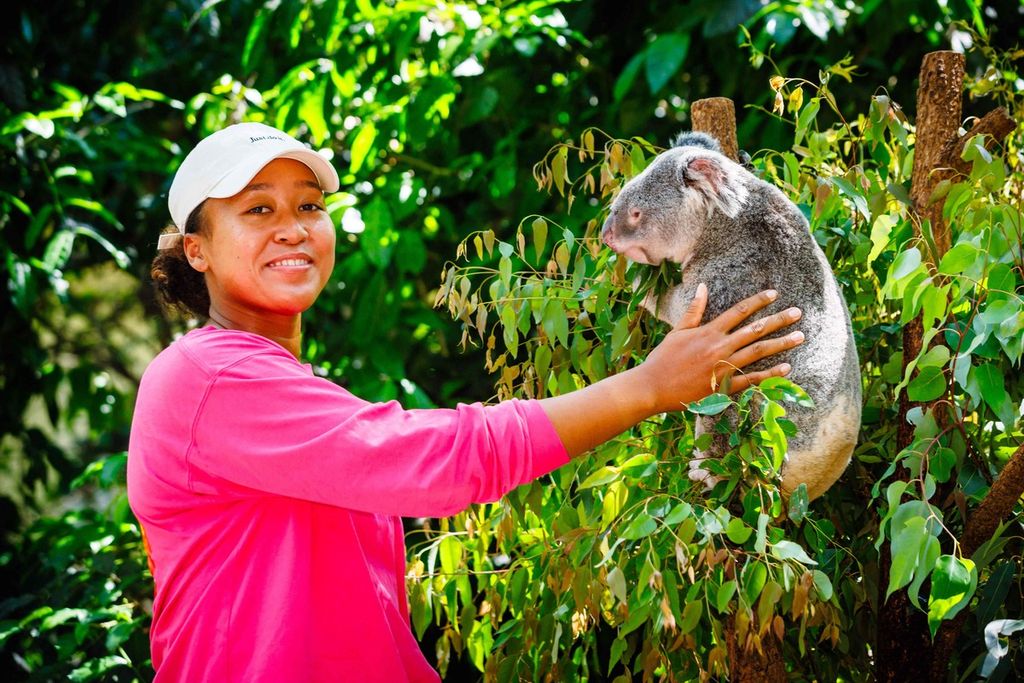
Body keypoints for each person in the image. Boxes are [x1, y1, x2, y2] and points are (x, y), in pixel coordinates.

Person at [127, 122, 804, 682]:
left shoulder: (292, 390)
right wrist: (651, 386)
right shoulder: (204, 378)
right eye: (257, 209)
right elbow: (444, 459)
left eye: (308, 205)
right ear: (198, 250)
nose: (295, 228)